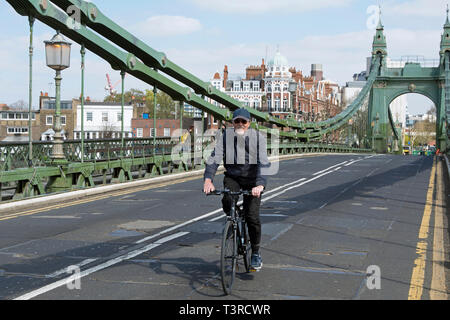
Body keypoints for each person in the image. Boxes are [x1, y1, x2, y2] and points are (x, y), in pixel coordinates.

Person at [203, 108, 270, 272]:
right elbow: (214, 158)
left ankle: (255, 252)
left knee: (252, 216)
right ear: (232, 123)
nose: (240, 124)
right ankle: (234, 218)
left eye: (243, 122)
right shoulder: (226, 136)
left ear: (249, 123)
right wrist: (208, 180)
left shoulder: (258, 138)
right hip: (233, 177)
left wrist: (260, 185)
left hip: (253, 180)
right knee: (227, 200)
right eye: (237, 121)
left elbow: (263, 163)